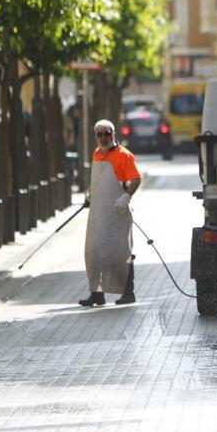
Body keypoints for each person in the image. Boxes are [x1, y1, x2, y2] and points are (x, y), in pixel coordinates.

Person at [79, 120, 142, 307]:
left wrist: (125, 197)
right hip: (99, 213)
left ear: (113, 134)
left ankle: (128, 293)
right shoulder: (97, 154)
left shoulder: (125, 155)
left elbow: (136, 179)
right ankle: (97, 294)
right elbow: (97, 180)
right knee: (94, 251)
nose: (103, 137)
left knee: (120, 252)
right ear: (95, 136)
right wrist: (90, 193)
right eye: (99, 134)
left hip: (118, 211)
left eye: (107, 133)